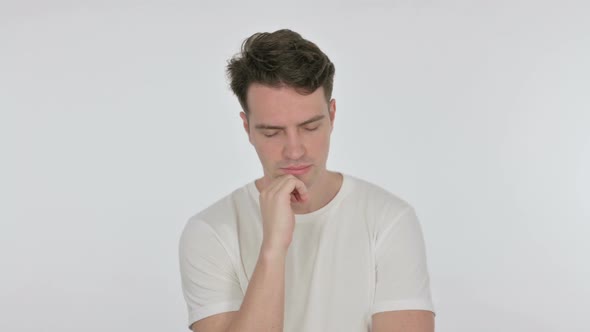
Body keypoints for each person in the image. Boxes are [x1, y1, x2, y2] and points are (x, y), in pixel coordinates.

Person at [179, 29, 435, 332]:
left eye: (310, 127)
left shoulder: (388, 220)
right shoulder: (211, 231)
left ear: (332, 115)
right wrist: (273, 247)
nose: (294, 150)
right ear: (247, 128)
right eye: (272, 132)